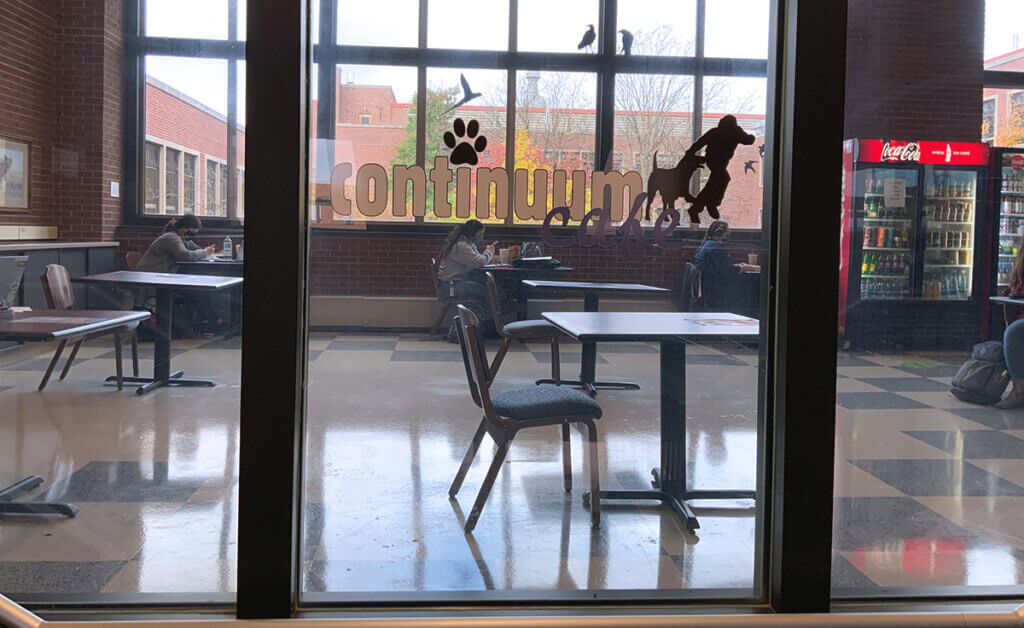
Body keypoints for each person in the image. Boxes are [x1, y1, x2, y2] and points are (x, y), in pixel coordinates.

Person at [438, 219, 497, 342]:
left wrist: (487, 255)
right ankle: (492, 324)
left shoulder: (468, 244)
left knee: (488, 288)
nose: (481, 237)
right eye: (480, 234)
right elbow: (479, 262)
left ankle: (489, 323)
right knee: (488, 290)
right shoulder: (461, 246)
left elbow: (477, 261)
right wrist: (489, 252)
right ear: (473, 233)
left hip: (456, 283)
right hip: (451, 287)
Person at [693, 220, 758, 310]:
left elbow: (722, 266)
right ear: (721, 233)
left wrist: (740, 266)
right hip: (715, 289)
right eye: (727, 232)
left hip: (709, 286)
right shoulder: (715, 247)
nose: (728, 235)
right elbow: (727, 271)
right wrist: (750, 267)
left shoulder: (709, 244)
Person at [137, 214, 217, 274]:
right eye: (191, 233)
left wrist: (207, 251)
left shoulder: (182, 238)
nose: (192, 236)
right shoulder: (171, 237)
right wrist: (204, 252)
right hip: (151, 276)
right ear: (184, 228)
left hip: (161, 275)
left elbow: (197, 249)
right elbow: (185, 255)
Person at [996, 250, 1024, 408]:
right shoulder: (1020, 266)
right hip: (1019, 317)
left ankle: (1019, 391)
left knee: (1014, 332)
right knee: (1013, 331)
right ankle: (1019, 387)